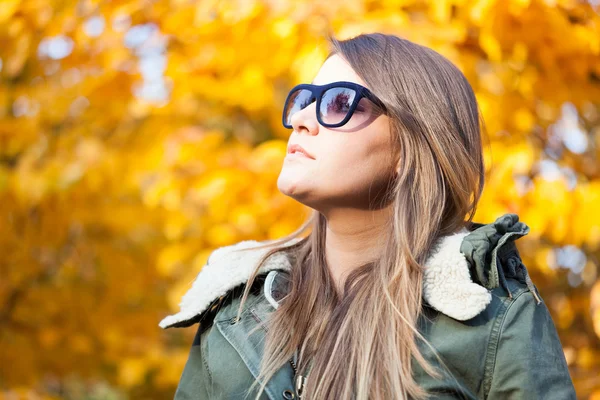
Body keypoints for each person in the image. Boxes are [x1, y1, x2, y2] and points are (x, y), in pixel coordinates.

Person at [159, 32, 576, 400]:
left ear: (410, 149)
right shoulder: (237, 308)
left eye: (339, 102)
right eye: (304, 100)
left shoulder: (489, 317)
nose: (302, 119)